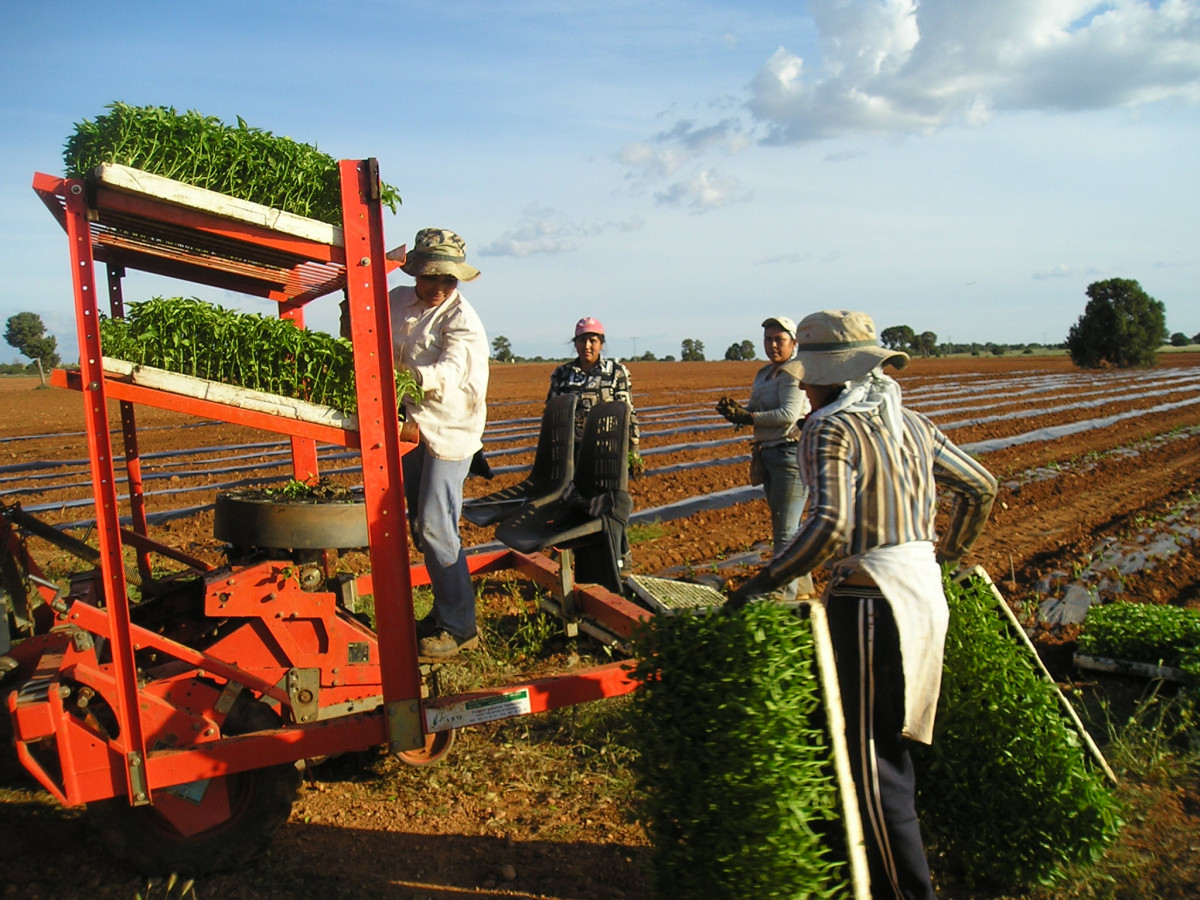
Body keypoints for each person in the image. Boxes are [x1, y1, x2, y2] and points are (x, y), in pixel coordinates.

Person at [728, 310, 997, 900]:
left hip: (872, 600)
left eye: (810, 375)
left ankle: (906, 891)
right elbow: (980, 487)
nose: (805, 385)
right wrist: (948, 553)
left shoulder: (831, 429)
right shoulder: (914, 424)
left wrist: (760, 583)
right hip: (924, 594)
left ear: (828, 377)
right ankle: (862, 868)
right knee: (891, 745)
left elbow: (828, 525)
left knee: (875, 762)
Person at [390, 228, 490, 660]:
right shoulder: (397, 301)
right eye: (430, 277)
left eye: (447, 280)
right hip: (409, 424)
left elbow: (450, 373)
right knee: (420, 527)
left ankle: (460, 625)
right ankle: (443, 611)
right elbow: (361, 323)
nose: (437, 288)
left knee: (436, 525)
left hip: (450, 429)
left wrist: (401, 379)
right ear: (415, 272)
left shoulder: (462, 321)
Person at [715, 316, 814, 599]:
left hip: (790, 454)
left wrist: (749, 417)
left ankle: (784, 593)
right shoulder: (764, 373)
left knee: (785, 531)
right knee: (786, 525)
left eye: (779, 340)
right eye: (768, 339)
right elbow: (756, 408)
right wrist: (738, 414)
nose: (772, 345)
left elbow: (787, 416)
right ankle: (803, 586)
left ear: (794, 343)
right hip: (768, 453)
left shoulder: (794, 373)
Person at [546, 317, 642, 473]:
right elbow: (551, 416)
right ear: (575, 343)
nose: (587, 346)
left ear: (601, 344)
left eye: (593, 341)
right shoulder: (562, 374)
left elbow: (628, 412)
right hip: (571, 453)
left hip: (607, 450)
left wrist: (634, 447)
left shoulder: (615, 373)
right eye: (582, 341)